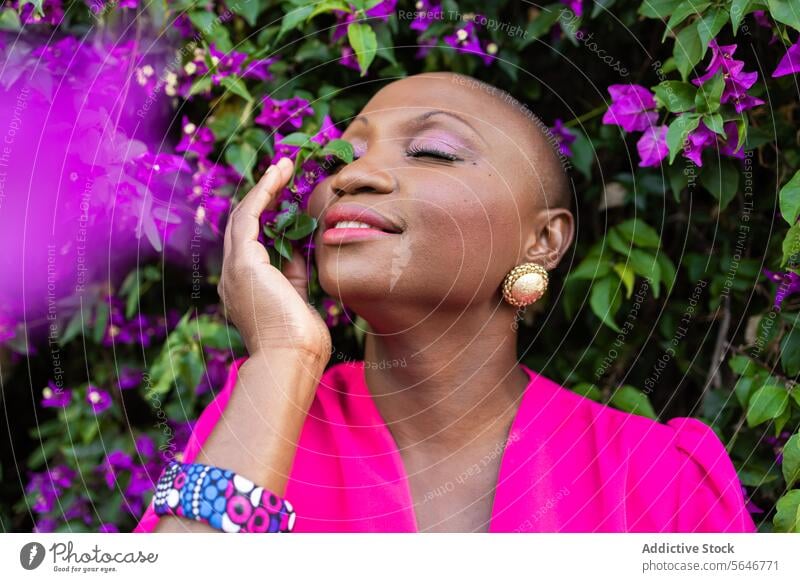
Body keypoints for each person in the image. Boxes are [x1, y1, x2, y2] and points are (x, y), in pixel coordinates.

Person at [134, 72, 757, 533]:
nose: (351, 176)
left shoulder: (661, 478)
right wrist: (282, 356)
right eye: (342, 156)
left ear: (543, 239)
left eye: (433, 150)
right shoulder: (267, 420)